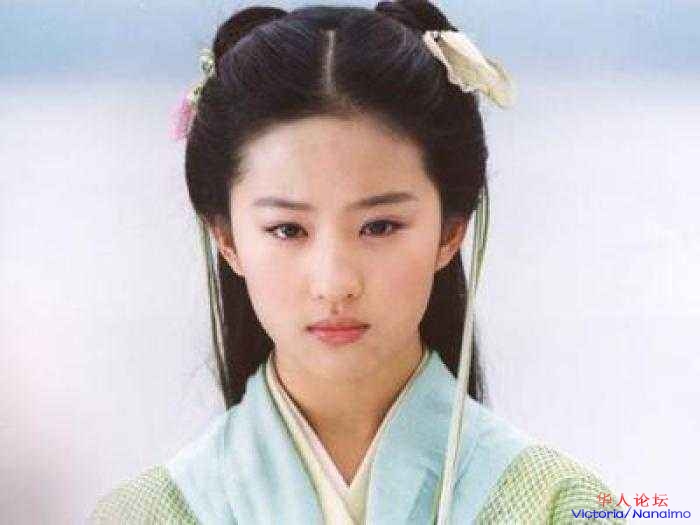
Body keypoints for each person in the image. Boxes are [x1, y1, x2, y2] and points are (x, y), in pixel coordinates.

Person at [91, 1, 626, 523]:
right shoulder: (148, 515)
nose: (334, 283)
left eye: (380, 226)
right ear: (227, 239)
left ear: (450, 231)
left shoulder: (560, 505)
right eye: (287, 230)